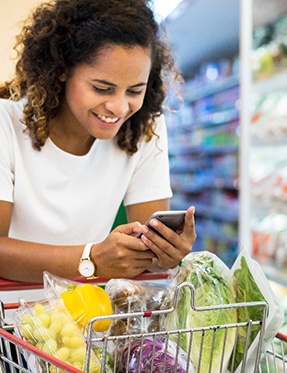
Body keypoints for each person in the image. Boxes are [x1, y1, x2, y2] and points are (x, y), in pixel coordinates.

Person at [0, 0, 197, 283]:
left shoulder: (143, 127)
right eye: (102, 88)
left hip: (94, 316)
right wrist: (91, 258)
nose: (118, 107)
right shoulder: (4, 123)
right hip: (11, 312)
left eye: (134, 90)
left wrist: (163, 251)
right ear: (62, 69)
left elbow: (148, 250)